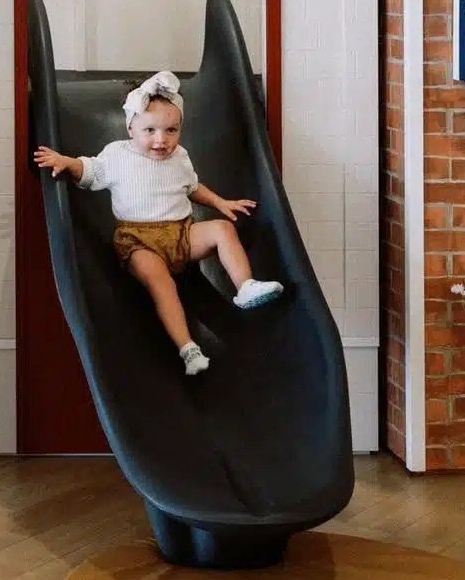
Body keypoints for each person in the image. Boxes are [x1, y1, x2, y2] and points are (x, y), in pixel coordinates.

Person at [33, 71, 283, 376]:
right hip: (138, 240)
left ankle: (245, 286)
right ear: (130, 128)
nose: (160, 140)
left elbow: (192, 188)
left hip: (181, 233)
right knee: (160, 282)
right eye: (149, 130)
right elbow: (91, 170)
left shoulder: (180, 156)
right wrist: (66, 162)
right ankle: (188, 348)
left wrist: (220, 203)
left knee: (222, 229)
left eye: (171, 130)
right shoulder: (118, 156)